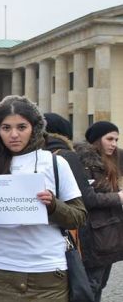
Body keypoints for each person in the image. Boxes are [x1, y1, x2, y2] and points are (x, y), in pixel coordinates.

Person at [0, 96, 86, 301]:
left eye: (22, 127)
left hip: (47, 273)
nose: (14, 134)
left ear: (34, 128)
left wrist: (53, 206)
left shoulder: (56, 164)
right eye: (6, 128)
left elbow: (79, 217)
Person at [76, 121, 122, 302]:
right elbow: (87, 199)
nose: (114, 144)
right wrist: (118, 197)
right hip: (93, 234)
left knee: (100, 284)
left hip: (109, 232)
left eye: (116, 140)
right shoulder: (83, 162)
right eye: (109, 139)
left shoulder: (111, 159)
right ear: (97, 139)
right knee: (91, 285)